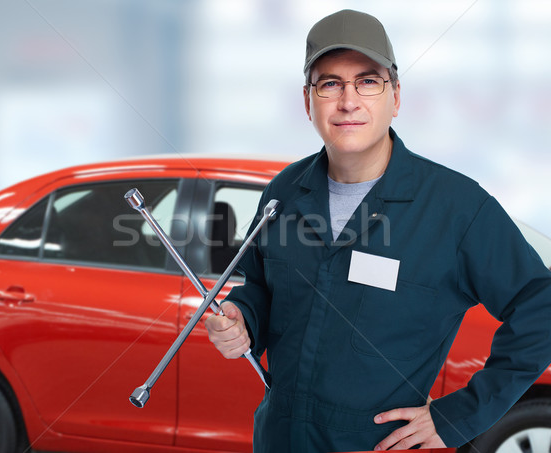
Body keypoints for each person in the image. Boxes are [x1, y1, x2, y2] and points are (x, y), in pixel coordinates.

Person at [204, 9, 551, 452]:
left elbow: (540, 305)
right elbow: (261, 288)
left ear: (396, 96)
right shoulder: (286, 191)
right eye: (330, 84)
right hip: (280, 438)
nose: (349, 101)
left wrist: (458, 416)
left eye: (367, 81)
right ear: (308, 101)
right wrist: (242, 318)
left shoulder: (456, 208)